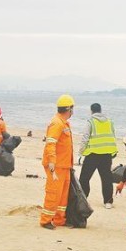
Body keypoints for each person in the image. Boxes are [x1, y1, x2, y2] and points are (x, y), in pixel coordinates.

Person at [39, 94, 75, 230]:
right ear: (69, 109)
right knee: (53, 193)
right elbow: (51, 143)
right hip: (56, 165)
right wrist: (52, 162)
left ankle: (59, 219)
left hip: (64, 165)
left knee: (62, 195)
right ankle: (46, 220)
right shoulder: (57, 123)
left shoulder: (64, 123)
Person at [78, 103, 118, 209]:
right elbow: (113, 136)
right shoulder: (109, 122)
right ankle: (108, 202)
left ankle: (83, 199)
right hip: (106, 155)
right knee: (107, 179)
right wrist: (113, 152)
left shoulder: (90, 122)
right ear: (100, 110)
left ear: (91, 111)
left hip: (93, 155)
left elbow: (85, 138)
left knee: (84, 178)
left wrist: (80, 152)